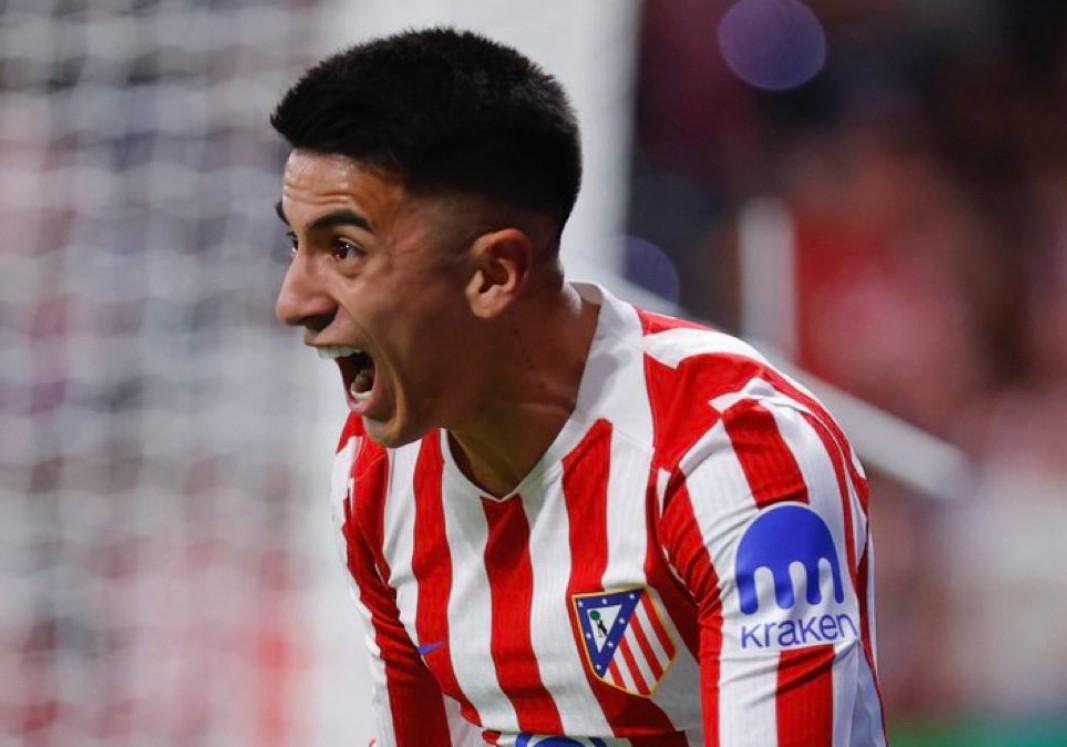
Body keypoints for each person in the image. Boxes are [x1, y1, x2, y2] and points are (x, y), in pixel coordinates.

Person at [271, 27, 886, 747]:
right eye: (296, 244)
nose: (293, 301)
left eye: (344, 249)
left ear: (493, 274)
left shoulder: (731, 453)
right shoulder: (376, 476)